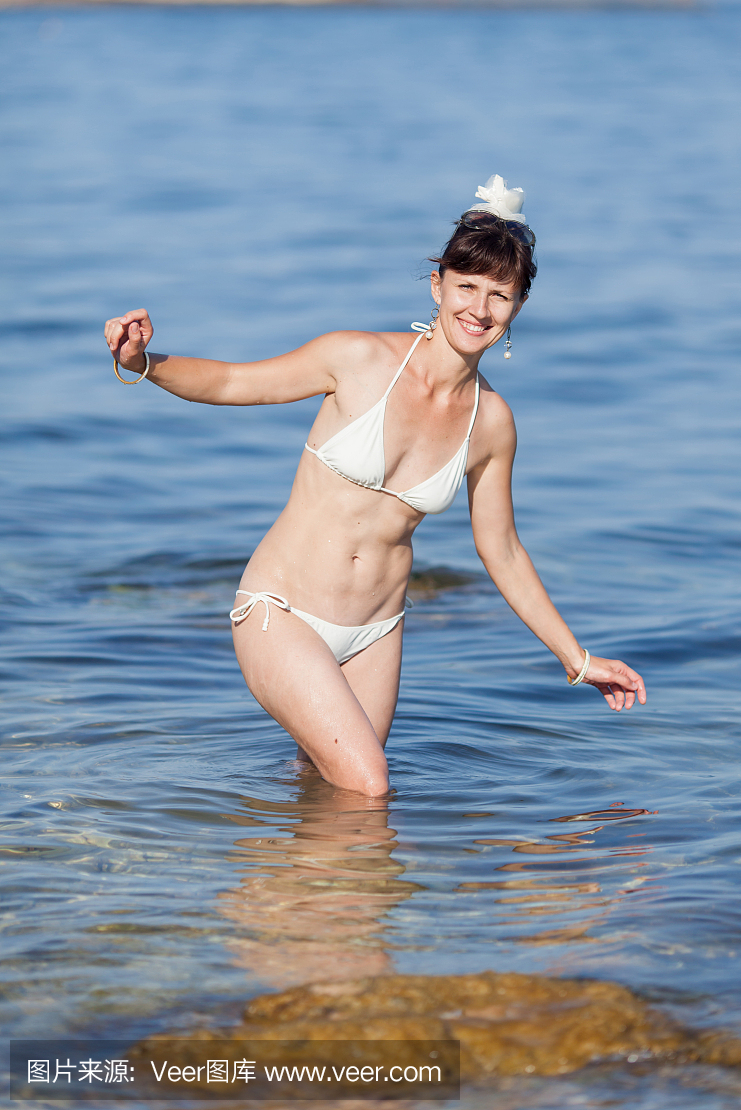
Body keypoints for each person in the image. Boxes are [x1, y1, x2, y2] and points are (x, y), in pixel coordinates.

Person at [104, 176, 646, 797]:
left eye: (499, 294)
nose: (479, 308)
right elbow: (232, 383)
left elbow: (502, 551)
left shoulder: (491, 423)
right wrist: (143, 363)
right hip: (283, 610)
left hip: (377, 633)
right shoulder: (357, 359)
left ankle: (284, 891)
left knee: (331, 801)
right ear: (438, 284)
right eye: (466, 286)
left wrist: (577, 661)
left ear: (517, 306)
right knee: (369, 786)